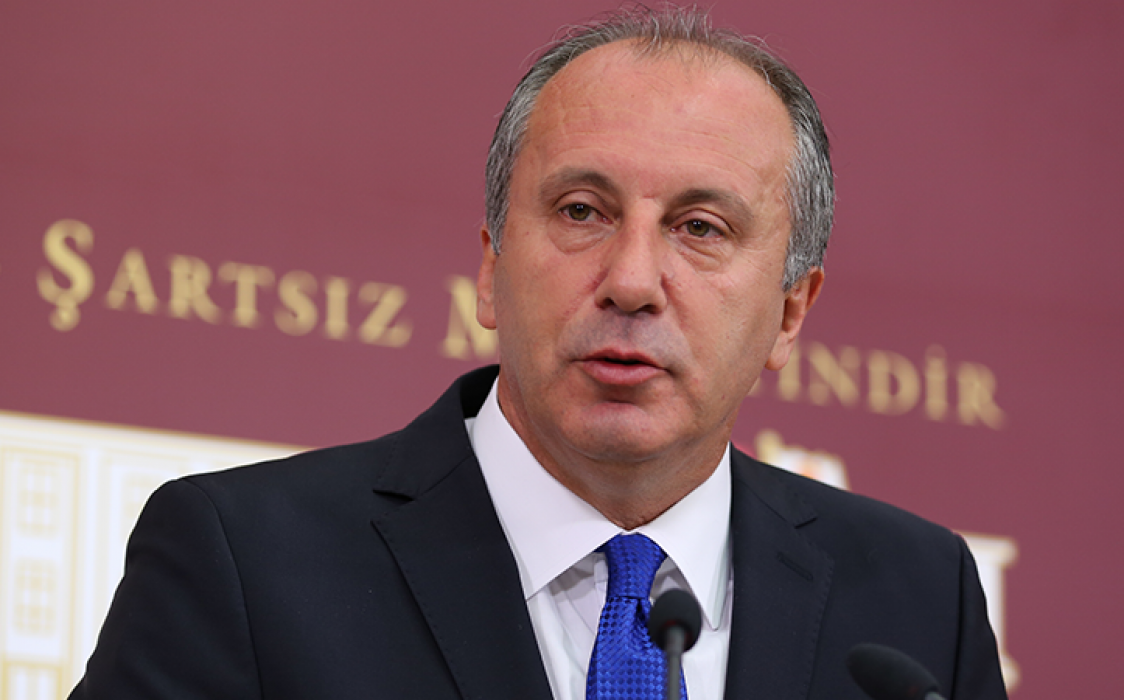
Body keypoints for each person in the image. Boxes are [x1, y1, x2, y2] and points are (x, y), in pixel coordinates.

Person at [70, 6, 1008, 700]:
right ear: (491, 269)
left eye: (700, 227)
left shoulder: (920, 600)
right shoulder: (245, 562)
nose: (631, 281)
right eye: (582, 211)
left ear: (791, 312)